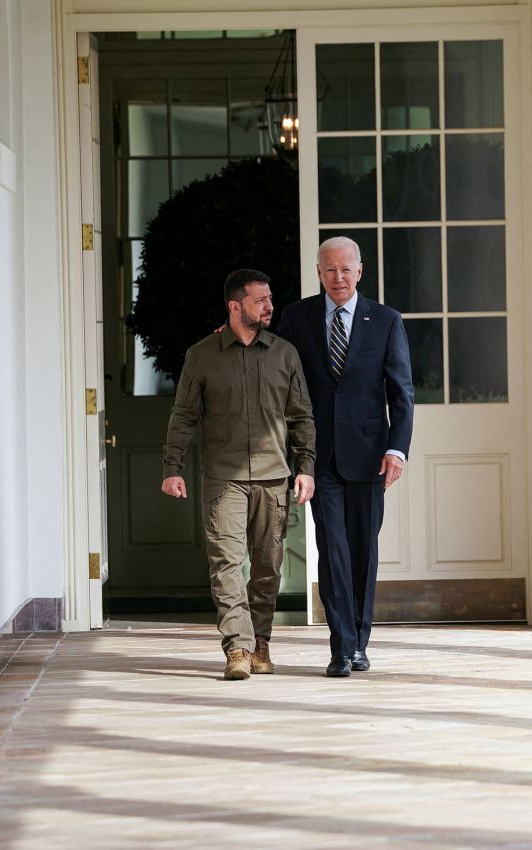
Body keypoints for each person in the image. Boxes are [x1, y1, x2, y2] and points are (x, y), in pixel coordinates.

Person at [161, 269, 316, 681]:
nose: (269, 306)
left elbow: (301, 416)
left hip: (273, 477)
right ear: (235, 306)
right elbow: (184, 415)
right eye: (260, 300)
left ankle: (260, 639)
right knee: (227, 564)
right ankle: (238, 648)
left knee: (267, 567)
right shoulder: (202, 355)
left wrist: (306, 468)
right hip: (223, 477)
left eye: (269, 299)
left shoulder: (285, 354)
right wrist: (171, 467)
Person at [277, 236, 415, 677]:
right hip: (319, 457)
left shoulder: (387, 321)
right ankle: (341, 648)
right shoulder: (296, 318)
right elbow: (273, 372)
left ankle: (360, 641)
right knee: (331, 547)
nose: (337, 277)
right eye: (328, 269)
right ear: (318, 272)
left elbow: (402, 392)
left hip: (371, 455)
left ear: (360, 271)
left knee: (362, 550)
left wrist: (397, 449)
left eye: (345, 269)